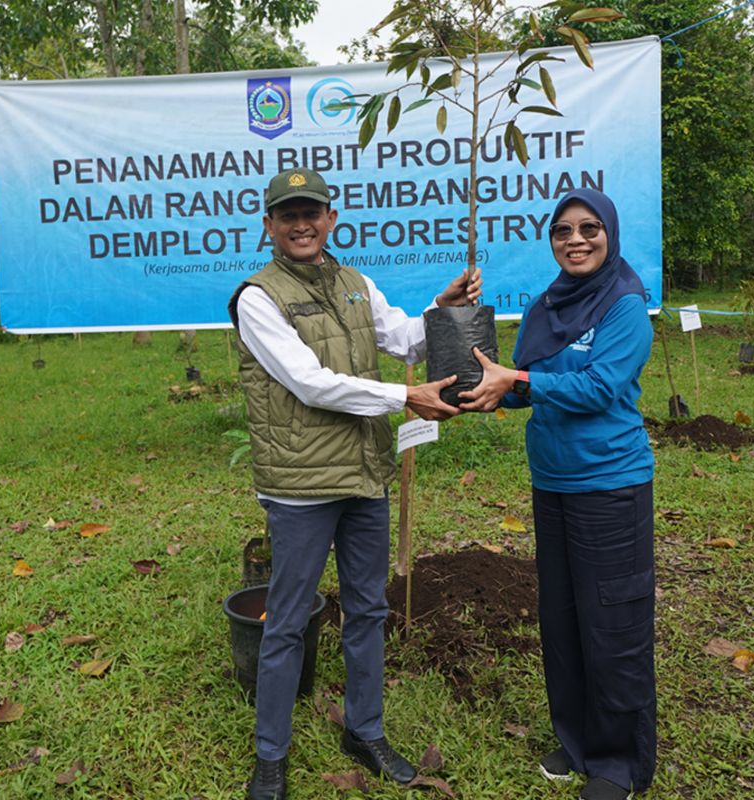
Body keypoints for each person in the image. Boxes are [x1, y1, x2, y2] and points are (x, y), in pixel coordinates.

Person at [227, 166, 482, 800]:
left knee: (369, 610)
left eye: (311, 212)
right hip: (302, 484)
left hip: (365, 474)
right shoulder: (257, 297)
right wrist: (404, 397)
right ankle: (270, 756)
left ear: (331, 219)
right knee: (287, 621)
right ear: (269, 227)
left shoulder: (354, 283)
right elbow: (309, 381)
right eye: (288, 215)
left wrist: (441, 311)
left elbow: (404, 338)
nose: (301, 224)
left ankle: (363, 731)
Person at [459, 188, 656, 800]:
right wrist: (481, 387)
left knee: (613, 623)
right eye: (563, 230)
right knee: (565, 618)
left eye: (589, 228)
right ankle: (576, 741)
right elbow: (527, 383)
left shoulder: (625, 303)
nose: (576, 240)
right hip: (553, 481)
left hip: (610, 485)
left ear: (610, 233)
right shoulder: (548, 305)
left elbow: (600, 386)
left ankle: (617, 763)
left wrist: (517, 379)